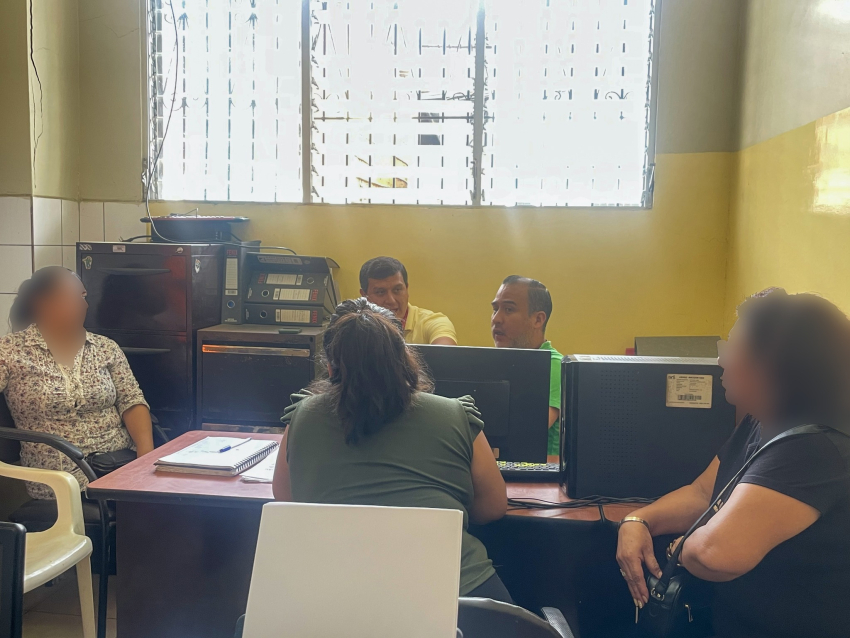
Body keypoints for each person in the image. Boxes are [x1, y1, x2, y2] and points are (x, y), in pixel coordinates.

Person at [616, 289, 850, 638]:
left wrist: (680, 547)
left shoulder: (815, 448)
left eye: (732, 349)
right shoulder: (762, 419)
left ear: (771, 367)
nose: (721, 360)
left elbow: (714, 554)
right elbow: (703, 493)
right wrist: (639, 521)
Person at [272, 298, 510, 600]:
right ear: (404, 359)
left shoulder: (302, 417)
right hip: (456, 595)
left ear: (330, 367)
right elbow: (493, 507)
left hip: (334, 598)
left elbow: (286, 497)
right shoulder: (454, 415)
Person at [0, 267, 154, 499]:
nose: (85, 305)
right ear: (43, 303)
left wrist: (145, 460)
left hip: (119, 463)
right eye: (75, 297)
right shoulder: (9, 351)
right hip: (60, 478)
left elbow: (131, 400)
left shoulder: (105, 347)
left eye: (84, 296)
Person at [491, 276, 562, 455]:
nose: (496, 319)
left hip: (541, 470)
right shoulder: (504, 363)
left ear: (538, 320)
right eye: (495, 309)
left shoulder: (554, 365)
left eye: (508, 309)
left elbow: (527, 432)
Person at [359, 256, 457, 345]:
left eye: (397, 290)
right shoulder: (355, 326)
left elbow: (446, 355)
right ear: (364, 296)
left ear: (406, 289)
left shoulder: (432, 322)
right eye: (380, 292)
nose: (391, 301)